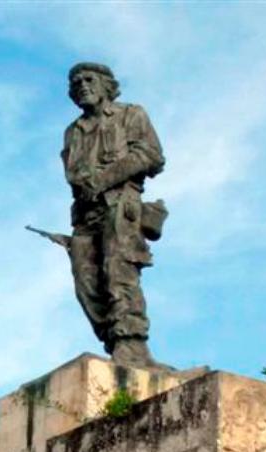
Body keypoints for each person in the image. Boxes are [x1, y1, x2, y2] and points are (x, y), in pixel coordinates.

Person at [61, 62, 166, 369]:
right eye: (76, 81)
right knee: (86, 281)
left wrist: (104, 179)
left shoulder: (130, 114)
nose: (82, 85)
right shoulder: (73, 131)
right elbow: (72, 172)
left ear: (107, 85)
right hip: (85, 213)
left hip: (119, 204)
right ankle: (114, 341)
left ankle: (131, 345)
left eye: (89, 79)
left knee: (118, 271)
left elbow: (151, 155)